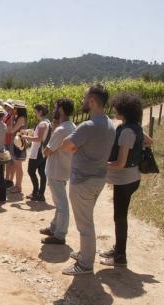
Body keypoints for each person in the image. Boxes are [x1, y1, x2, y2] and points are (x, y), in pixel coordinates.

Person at [60, 84, 116, 275]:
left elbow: (66, 145)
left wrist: (76, 146)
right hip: (98, 179)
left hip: (83, 181)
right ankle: (85, 252)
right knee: (87, 219)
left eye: (85, 98)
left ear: (92, 101)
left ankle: (85, 264)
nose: (83, 101)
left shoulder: (88, 126)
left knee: (84, 224)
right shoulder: (109, 124)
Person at [101, 93, 153, 267]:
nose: (115, 109)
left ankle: (120, 256)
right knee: (120, 216)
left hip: (125, 180)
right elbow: (150, 141)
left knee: (120, 217)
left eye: (117, 108)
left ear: (124, 110)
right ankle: (118, 249)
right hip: (132, 178)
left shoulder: (127, 132)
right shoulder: (134, 127)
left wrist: (101, 164)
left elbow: (120, 163)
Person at [40, 99, 76, 245]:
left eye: (56, 107)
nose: (54, 109)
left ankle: (60, 235)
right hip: (64, 168)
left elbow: (46, 151)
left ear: (61, 109)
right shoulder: (72, 126)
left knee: (61, 204)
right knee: (59, 201)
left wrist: (51, 134)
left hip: (56, 170)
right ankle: (54, 227)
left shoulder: (61, 130)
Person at [22, 104, 51, 202]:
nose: (35, 114)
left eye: (36, 112)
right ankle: (40, 194)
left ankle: (36, 192)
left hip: (38, 152)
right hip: (43, 151)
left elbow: (38, 139)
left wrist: (25, 137)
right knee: (42, 173)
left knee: (31, 171)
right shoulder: (47, 122)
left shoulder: (42, 124)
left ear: (40, 112)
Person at [8, 100, 28, 194]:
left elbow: (12, 130)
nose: (13, 109)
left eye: (15, 107)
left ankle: (18, 186)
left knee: (18, 166)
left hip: (19, 144)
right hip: (16, 143)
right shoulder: (19, 117)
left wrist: (11, 119)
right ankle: (17, 185)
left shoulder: (21, 118)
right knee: (17, 165)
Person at [3, 100, 16, 188]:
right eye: (6, 106)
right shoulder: (7, 116)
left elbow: (10, 129)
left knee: (12, 162)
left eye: (9, 107)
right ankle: (7, 179)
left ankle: (10, 180)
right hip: (6, 141)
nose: (7, 108)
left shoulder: (13, 117)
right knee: (7, 161)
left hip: (11, 141)